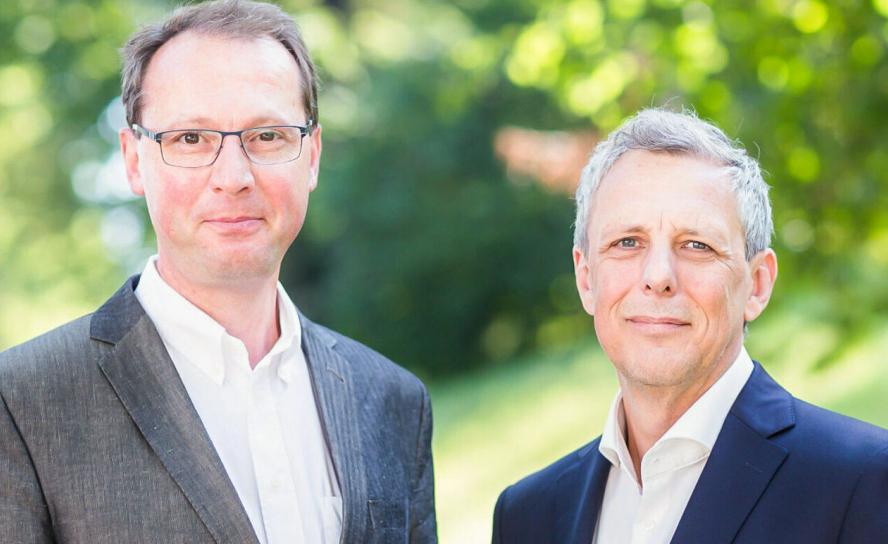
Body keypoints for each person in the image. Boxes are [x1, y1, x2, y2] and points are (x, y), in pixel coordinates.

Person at [0, 1, 436, 542]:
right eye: (190, 138)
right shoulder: (20, 404)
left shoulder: (395, 403)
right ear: (135, 160)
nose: (233, 176)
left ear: (313, 155)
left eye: (268, 136)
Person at [492, 108, 888, 543]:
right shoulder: (527, 518)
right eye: (627, 242)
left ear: (757, 284)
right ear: (586, 279)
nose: (658, 275)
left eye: (696, 245)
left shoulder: (864, 480)